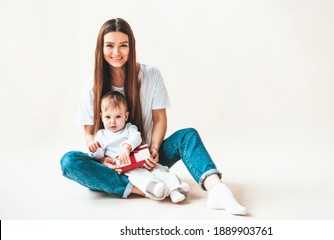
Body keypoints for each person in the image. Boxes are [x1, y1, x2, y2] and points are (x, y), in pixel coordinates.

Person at [60, 17, 247, 215]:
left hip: (148, 157)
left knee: (187, 136)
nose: (116, 52)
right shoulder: (92, 86)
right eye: (110, 46)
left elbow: (159, 119)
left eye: (123, 45)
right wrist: (102, 159)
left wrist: (154, 149)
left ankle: (217, 189)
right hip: (114, 164)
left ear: (131, 47)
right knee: (69, 161)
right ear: (101, 48)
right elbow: (89, 134)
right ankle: (146, 189)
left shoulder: (151, 74)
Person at [91, 90, 190, 203]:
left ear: (126, 116)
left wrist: (126, 147)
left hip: (141, 159)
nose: (112, 121)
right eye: (108, 117)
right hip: (126, 168)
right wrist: (95, 148)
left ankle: (175, 189)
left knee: (159, 170)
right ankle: (157, 188)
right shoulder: (101, 135)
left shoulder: (129, 128)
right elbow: (99, 156)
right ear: (101, 116)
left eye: (118, 116)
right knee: (138, 177)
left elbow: (136, 137)